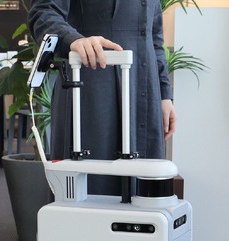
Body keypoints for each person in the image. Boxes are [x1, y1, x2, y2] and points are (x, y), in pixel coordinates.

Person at [28, 0, 176, 195]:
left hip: (145, 92)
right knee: (91, 188)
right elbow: (43, 11)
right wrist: (73, 39)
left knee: (146, 191)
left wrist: (165, 96)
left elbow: (154, 37)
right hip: (92, 90)